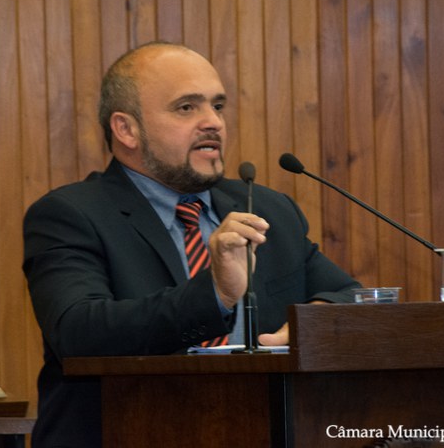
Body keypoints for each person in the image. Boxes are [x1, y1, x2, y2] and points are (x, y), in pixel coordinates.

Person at [22, 41, 361, 447]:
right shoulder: (72, 215)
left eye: (217, 106)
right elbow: (79, 332)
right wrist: (215, 294)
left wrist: (310, 326)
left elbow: (351, 297)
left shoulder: (266, 209)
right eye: (187, 107)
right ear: (126, 129)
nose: (213, 122)